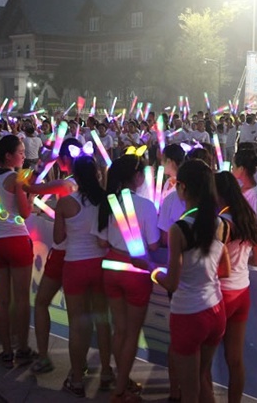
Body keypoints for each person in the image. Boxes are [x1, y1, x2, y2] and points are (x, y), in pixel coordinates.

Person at [147, 159, 230, 403]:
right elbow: (224, 270)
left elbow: (172, 282)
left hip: (188, 314)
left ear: (182, 187)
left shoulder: (179, 229)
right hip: (216, 310)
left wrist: (152, 270)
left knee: (190, 389)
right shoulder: (221, 224)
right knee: (203, 378)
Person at [96, 154, 159, 402]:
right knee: (132, 332)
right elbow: (153, 246)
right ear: (137, 176)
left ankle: (122, 379)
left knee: (119, 330)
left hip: (110, 267)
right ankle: (120, 390)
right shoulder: (146, 206)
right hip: (136, 271)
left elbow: (101, 240)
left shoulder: (107, 202)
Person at [53, 155, 113, 397]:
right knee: (102, 321)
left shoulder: (65, 203)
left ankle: (77, 378)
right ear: (97, 174)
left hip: (75, 266)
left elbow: (58, 239)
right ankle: (107, 371)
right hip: (100, 265)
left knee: (77, 325)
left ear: (75, 176)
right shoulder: (106, 201)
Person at [0, 135, 38, 368]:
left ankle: (6, 351)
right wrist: (31, 196)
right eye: (21, 152)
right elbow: (24, 213)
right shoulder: (16, 178)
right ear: (8, 156)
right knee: (22, 300)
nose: (24, 155)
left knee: (1, 301)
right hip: (17, 241)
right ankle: (22, 348)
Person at [32, 137, 81, 372]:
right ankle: (81, 367)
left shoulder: (65, 184)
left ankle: (43, 357)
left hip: (63, 254)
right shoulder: (91, 182)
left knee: (41, 302)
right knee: (80, 315)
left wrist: (43, 165)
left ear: (63, 160)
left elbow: (31, 187)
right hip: (84, 255)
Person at [214, 171, 257, 403]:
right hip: (242, 290)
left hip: (221, 293)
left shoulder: (222, 223)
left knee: (202, 359)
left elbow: (217, 265)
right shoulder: (247, 217)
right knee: (235, 359)